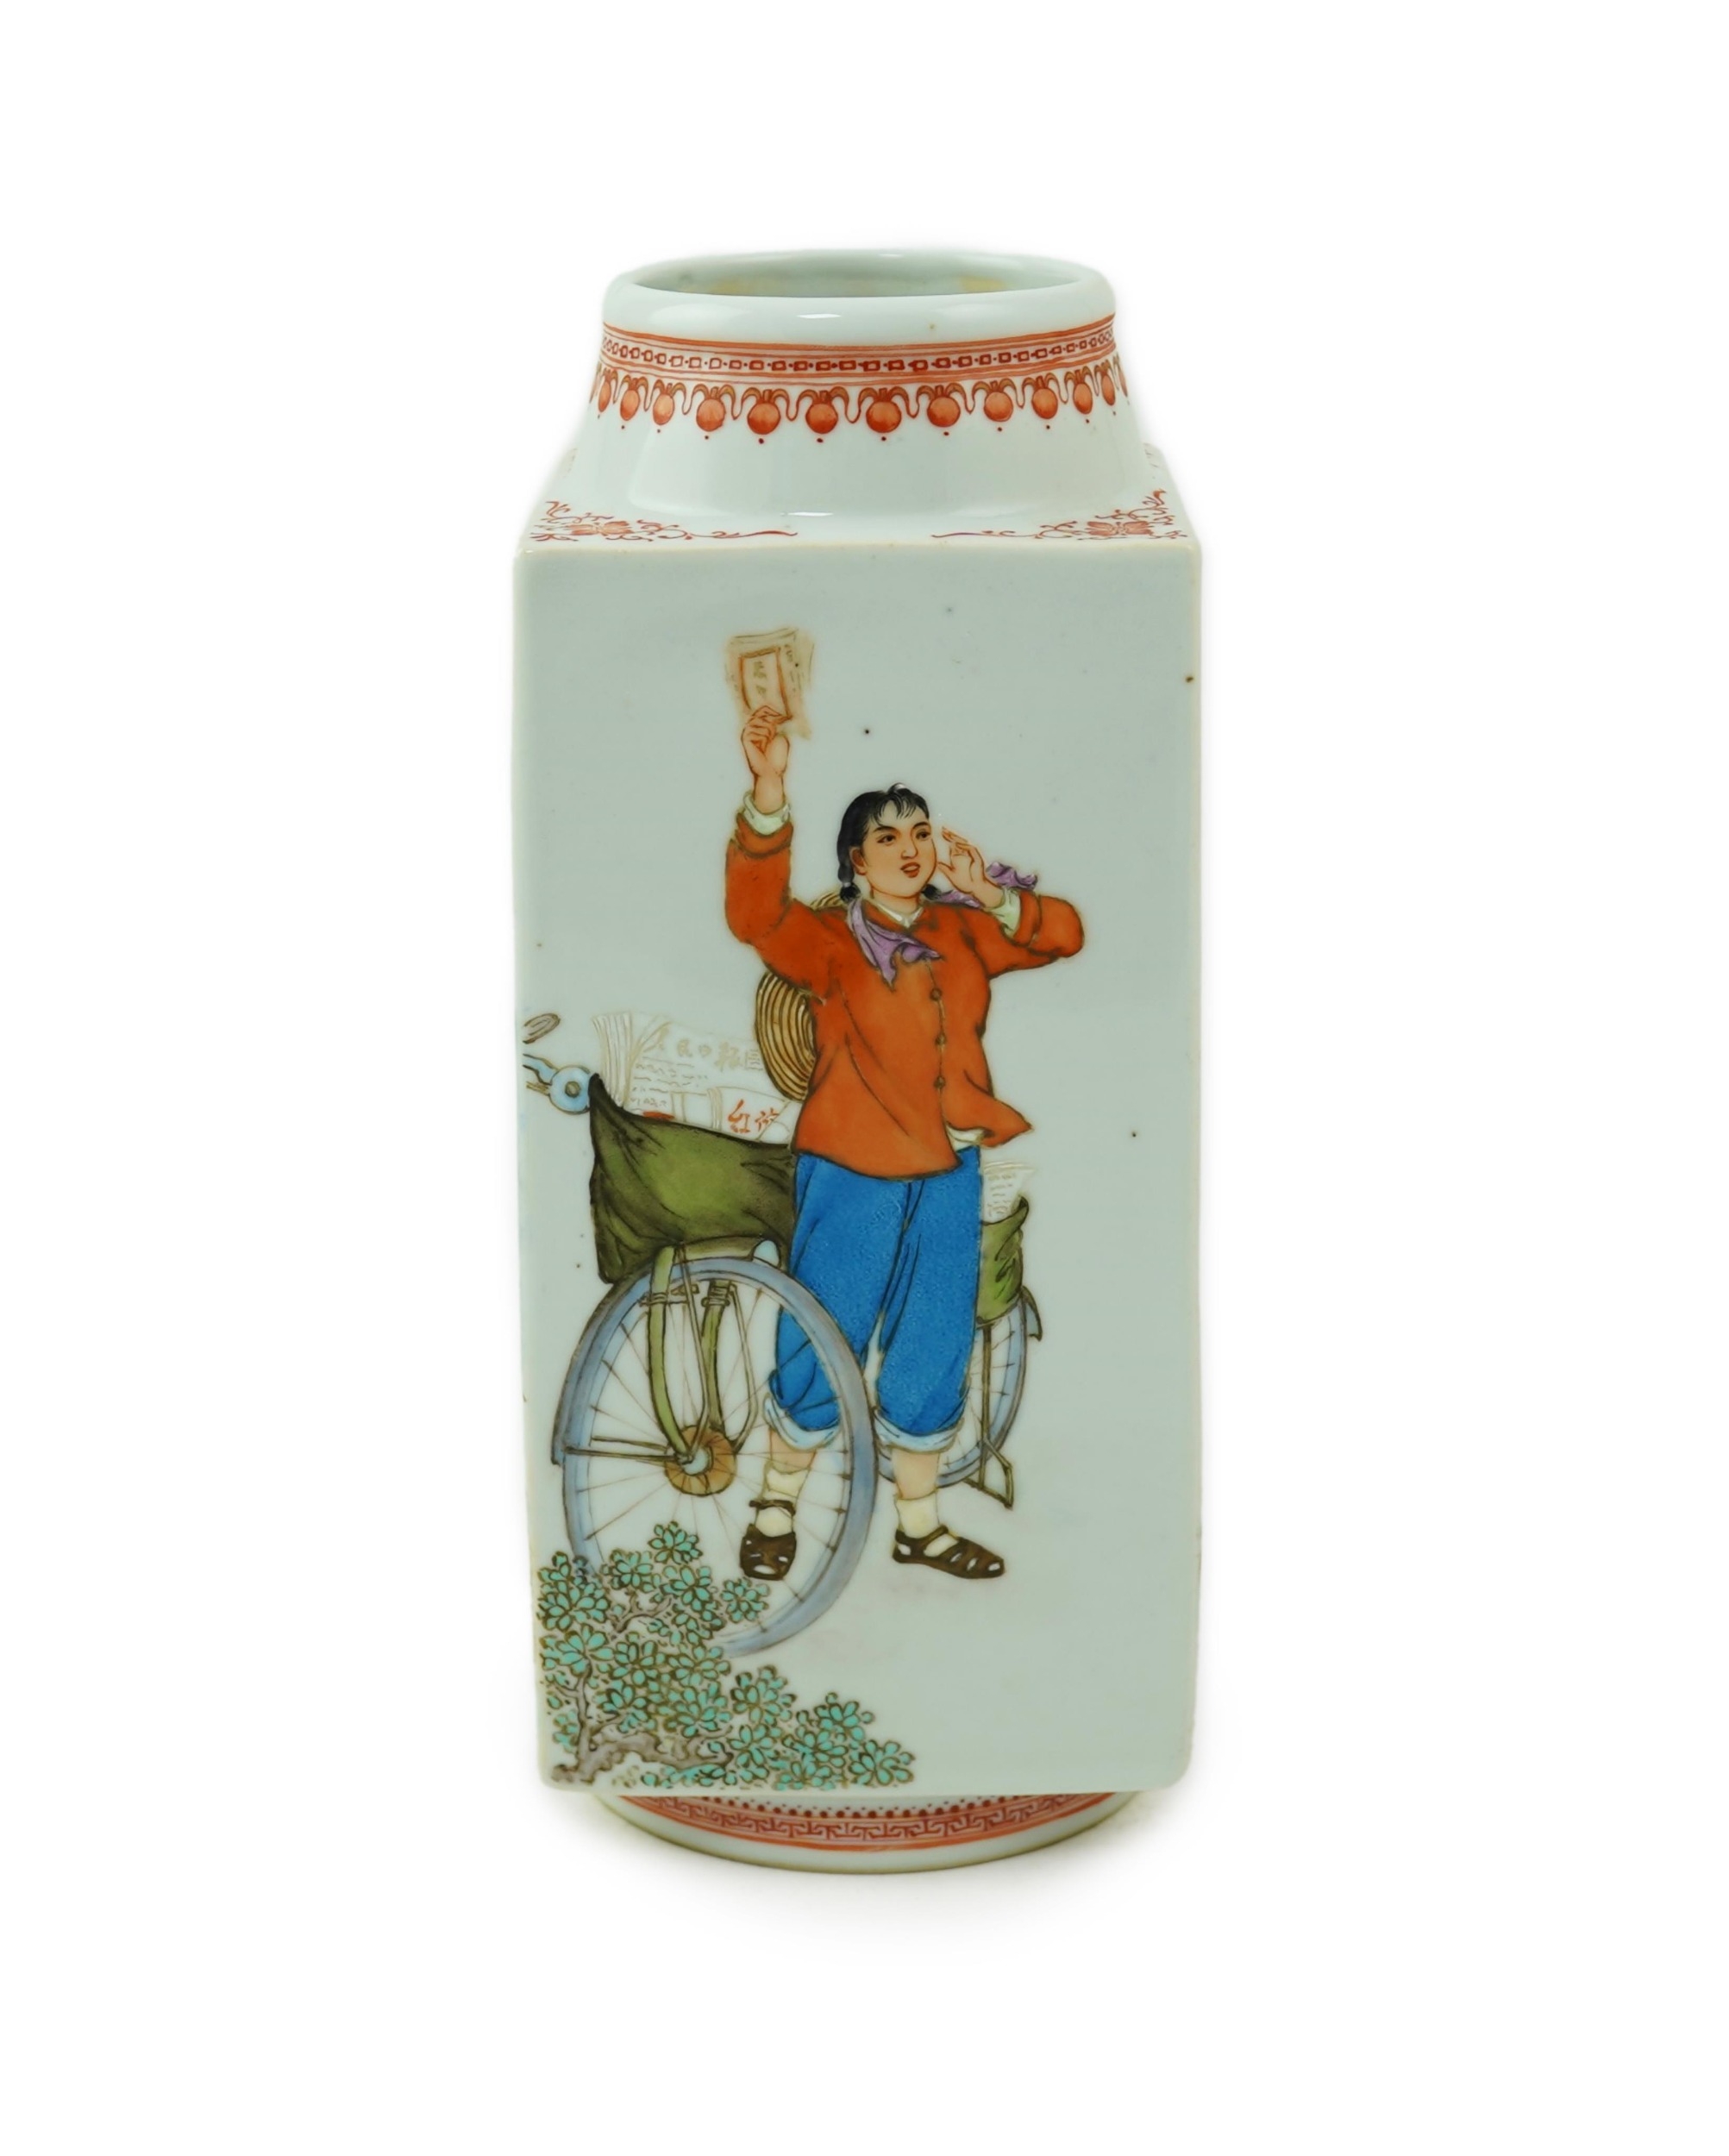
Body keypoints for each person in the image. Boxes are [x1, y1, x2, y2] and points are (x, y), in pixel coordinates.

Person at [725, 705, 1084, 1583]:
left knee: (933, 1340)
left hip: (949, 1164)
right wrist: (768, 793)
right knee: (824, 1331)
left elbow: (1064, 935)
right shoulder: (825, 942)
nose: (910, 848)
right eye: (887, 837)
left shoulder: (962, 929)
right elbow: (753, 915)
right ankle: (775, 1505)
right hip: (852, 1166)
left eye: (919, 832)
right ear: (856, 861)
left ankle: (918, 1525)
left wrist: (989, 890)